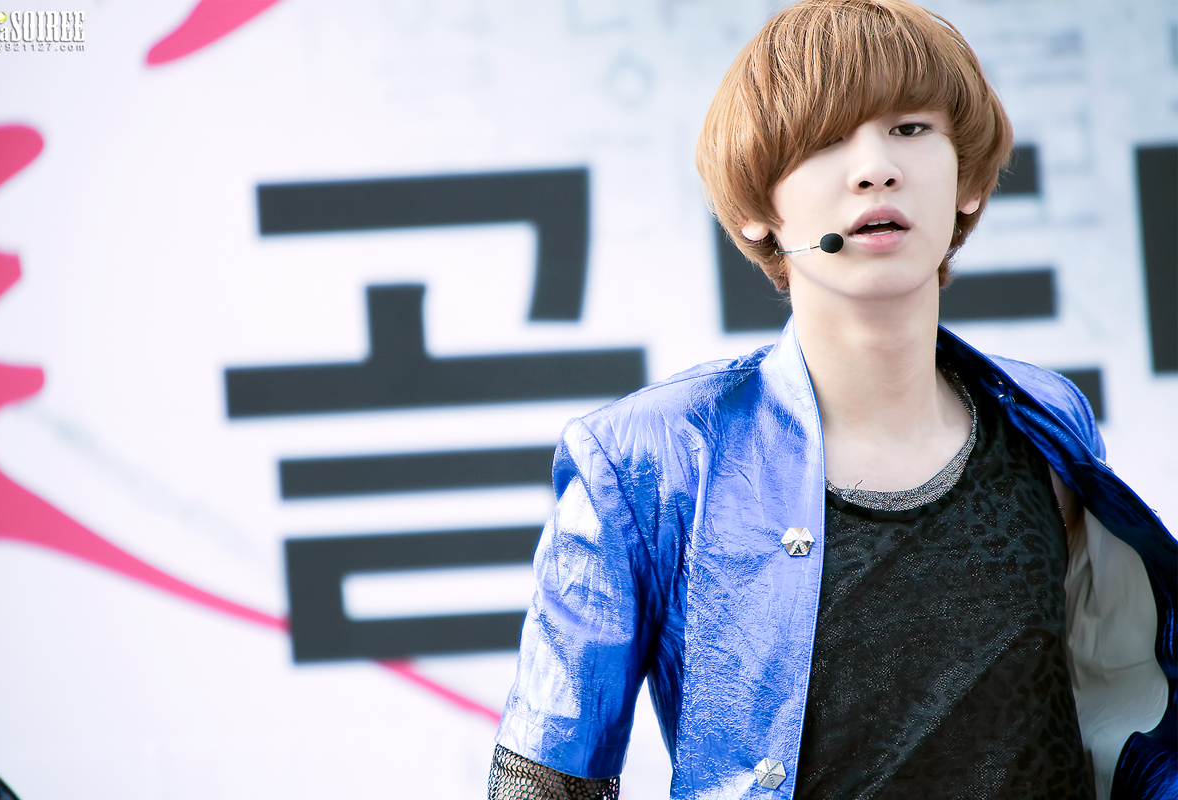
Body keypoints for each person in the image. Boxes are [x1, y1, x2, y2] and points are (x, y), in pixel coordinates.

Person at [488, 0, 1176, 797]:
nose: (875, 168)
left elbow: (1112, 699)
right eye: (825, 141)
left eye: (910, 129)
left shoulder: (1046, 417)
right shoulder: (649, 457)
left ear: (967, 183)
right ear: (757, 211)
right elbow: (545, 779)